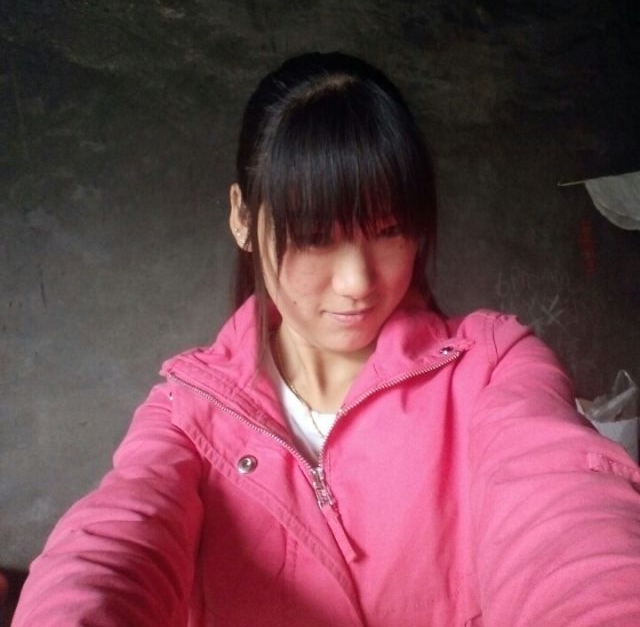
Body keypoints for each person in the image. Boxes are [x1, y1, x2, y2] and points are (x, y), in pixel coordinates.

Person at [12, 52, 640, 627]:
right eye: (316, 237)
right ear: (242, 218)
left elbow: (568, 516)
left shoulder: (494, 367)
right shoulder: (188, 415)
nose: (358, 281)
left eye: (389, 230)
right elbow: (111, 546)